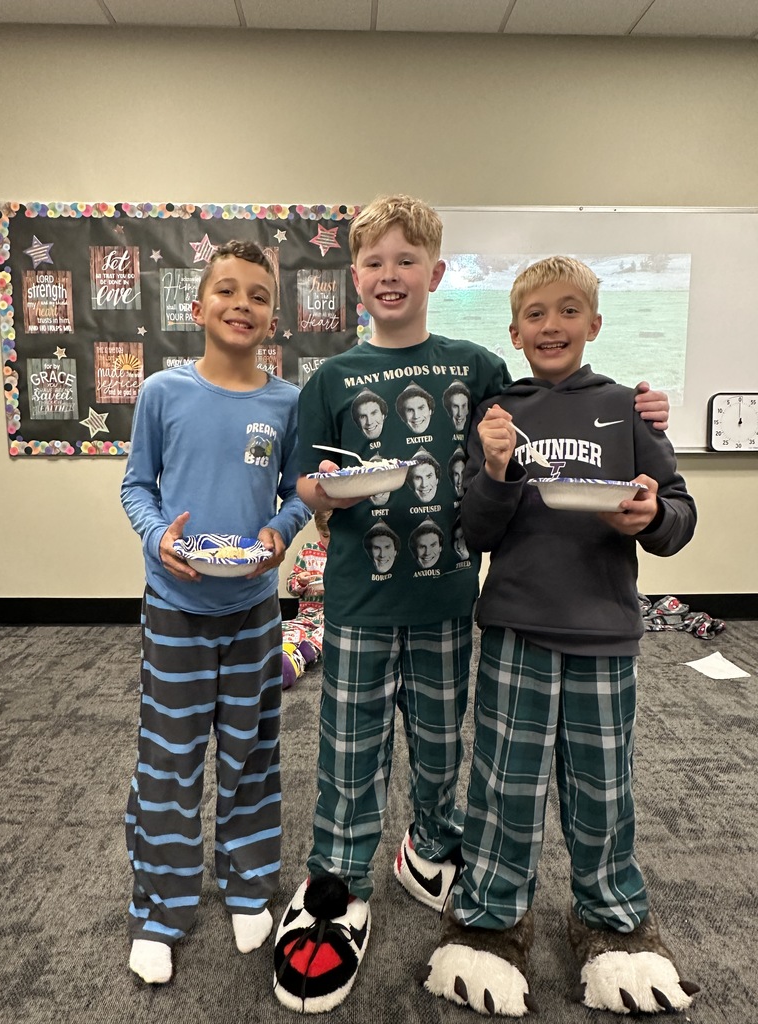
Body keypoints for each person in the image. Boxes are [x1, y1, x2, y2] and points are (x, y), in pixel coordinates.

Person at [271, 196, 671, 1014]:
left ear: (437, 274)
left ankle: (433, 847)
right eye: (375, 262)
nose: (391, 275)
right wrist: (320, 495)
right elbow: (304, 481)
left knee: (446, 748)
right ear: (355, 279)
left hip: (453, 598)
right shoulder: (333, 378)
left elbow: (544, 407)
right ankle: (336, 887)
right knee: (349, 749)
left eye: (406, 260)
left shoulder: (478, 367)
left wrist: (644, 410)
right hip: (355, 598)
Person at [422, 256, 699, 1017]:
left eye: (569, 310)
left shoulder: (627, 408)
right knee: (503, 787)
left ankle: (611, 920)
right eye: (536, 314)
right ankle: (488, 920)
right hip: (514, 627)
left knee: (601, 792)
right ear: (513, 330)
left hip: (607, 633)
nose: (552, 325)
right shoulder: (499, 415)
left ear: (595, 324)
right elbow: (471, 531)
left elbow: (677, 512)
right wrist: (499, 470)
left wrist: (653, 518)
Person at [120, 240, 309, 986]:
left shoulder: (286, 403)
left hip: (254, 609)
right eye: (226, 291)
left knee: (252, 752)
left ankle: (246, 882)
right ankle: (161, 907)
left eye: (258, 295)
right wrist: (157, 534)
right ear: (196, 309)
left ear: (274, 317)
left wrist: (279, 533)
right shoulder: (163, 393)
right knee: (169, 761)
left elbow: (297, 494)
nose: (242, 304)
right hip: (175, 609)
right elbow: (137, 487)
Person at [281, 511, 331, 689]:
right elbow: (291, 587)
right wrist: (300, 581)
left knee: (329, 633)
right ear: (318, 530)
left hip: (334, 617)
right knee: (279, 630)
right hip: (307, 617)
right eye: (325, 536)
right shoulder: (307, 551)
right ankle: (288, 652)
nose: (329, 542)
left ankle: (301, 657)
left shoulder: (349, 553)